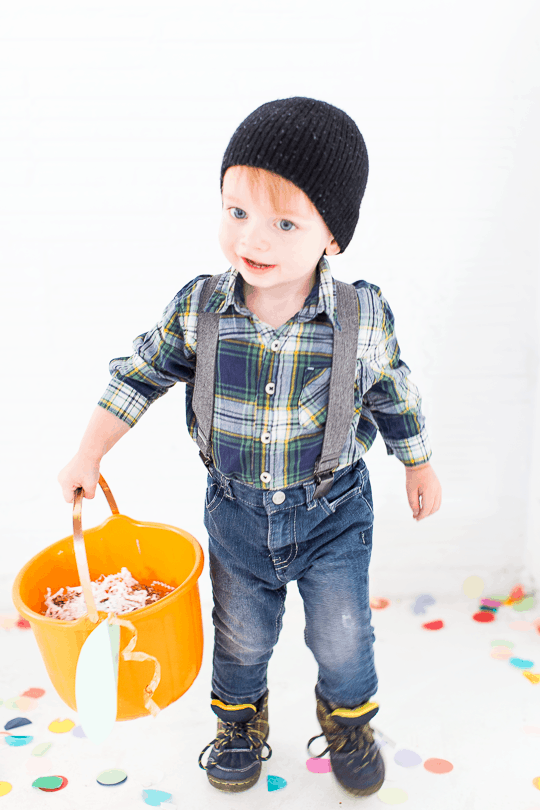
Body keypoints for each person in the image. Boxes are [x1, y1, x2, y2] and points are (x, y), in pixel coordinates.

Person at [58, 96, 442, 798]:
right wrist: (90, 452)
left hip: (333, 512)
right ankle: (239, 723)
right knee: (241, 637)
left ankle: (348, 719)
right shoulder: (201, 307)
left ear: (333, 237)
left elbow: (392, 391)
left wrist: (417, 460)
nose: (252, 238)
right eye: (236, 212)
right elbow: (138, 375)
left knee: (343, 634)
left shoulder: (359, 316)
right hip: (235, 516)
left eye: (283, 222)